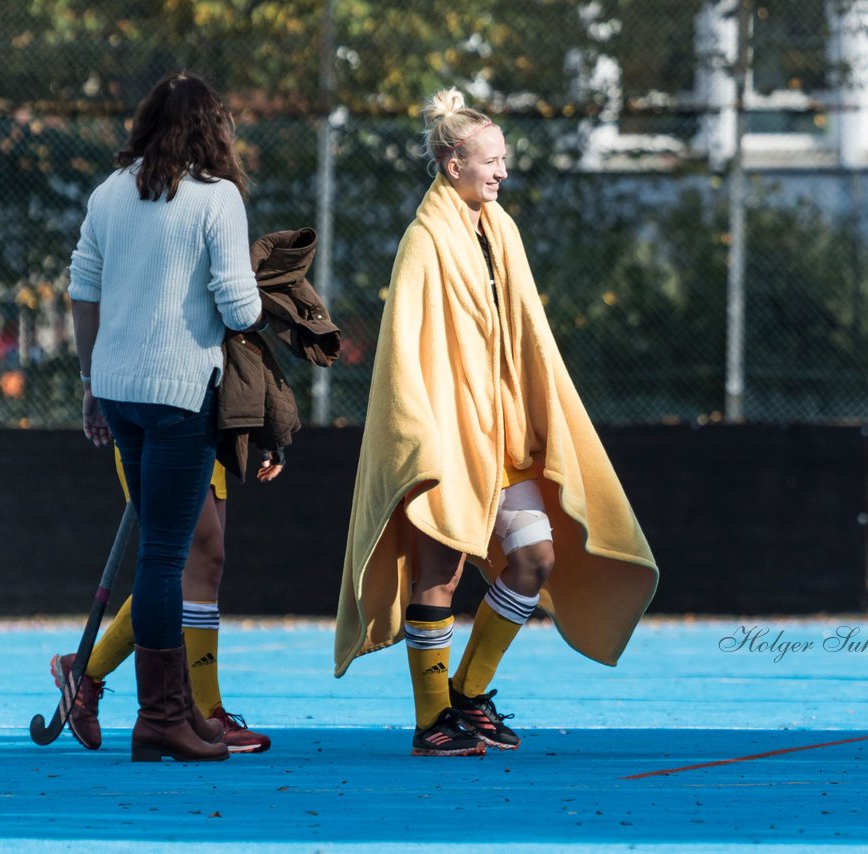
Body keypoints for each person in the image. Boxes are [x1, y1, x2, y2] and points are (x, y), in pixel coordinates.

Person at [333, 88, 660, 756]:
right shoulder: (423, 240)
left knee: (535, 559)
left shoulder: (499, 230)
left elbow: (525, 338)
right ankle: (432, 724)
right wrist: (420, 439)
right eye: (491, 159)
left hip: (501, 439)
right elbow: (402, 352)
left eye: (504, 159)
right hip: (446, 439)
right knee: (440, 577)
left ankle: (467, 695)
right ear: (452, 163)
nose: (502, 171)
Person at [69, 71, 270, 763]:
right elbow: (240, 309)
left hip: (120, 391)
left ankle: (173, 709)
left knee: (166, 552)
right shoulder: (217, 199)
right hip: (183, 393)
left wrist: (92, 383)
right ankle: (162, 718)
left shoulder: (107, 193)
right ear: (214, 129)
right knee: (165, 559)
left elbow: (82, 291)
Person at [51, 451, 278, 754]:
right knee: (198, 558)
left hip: (211, 428)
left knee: (203, 569)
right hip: (165, 419)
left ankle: (86, 672)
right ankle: (206, 713)